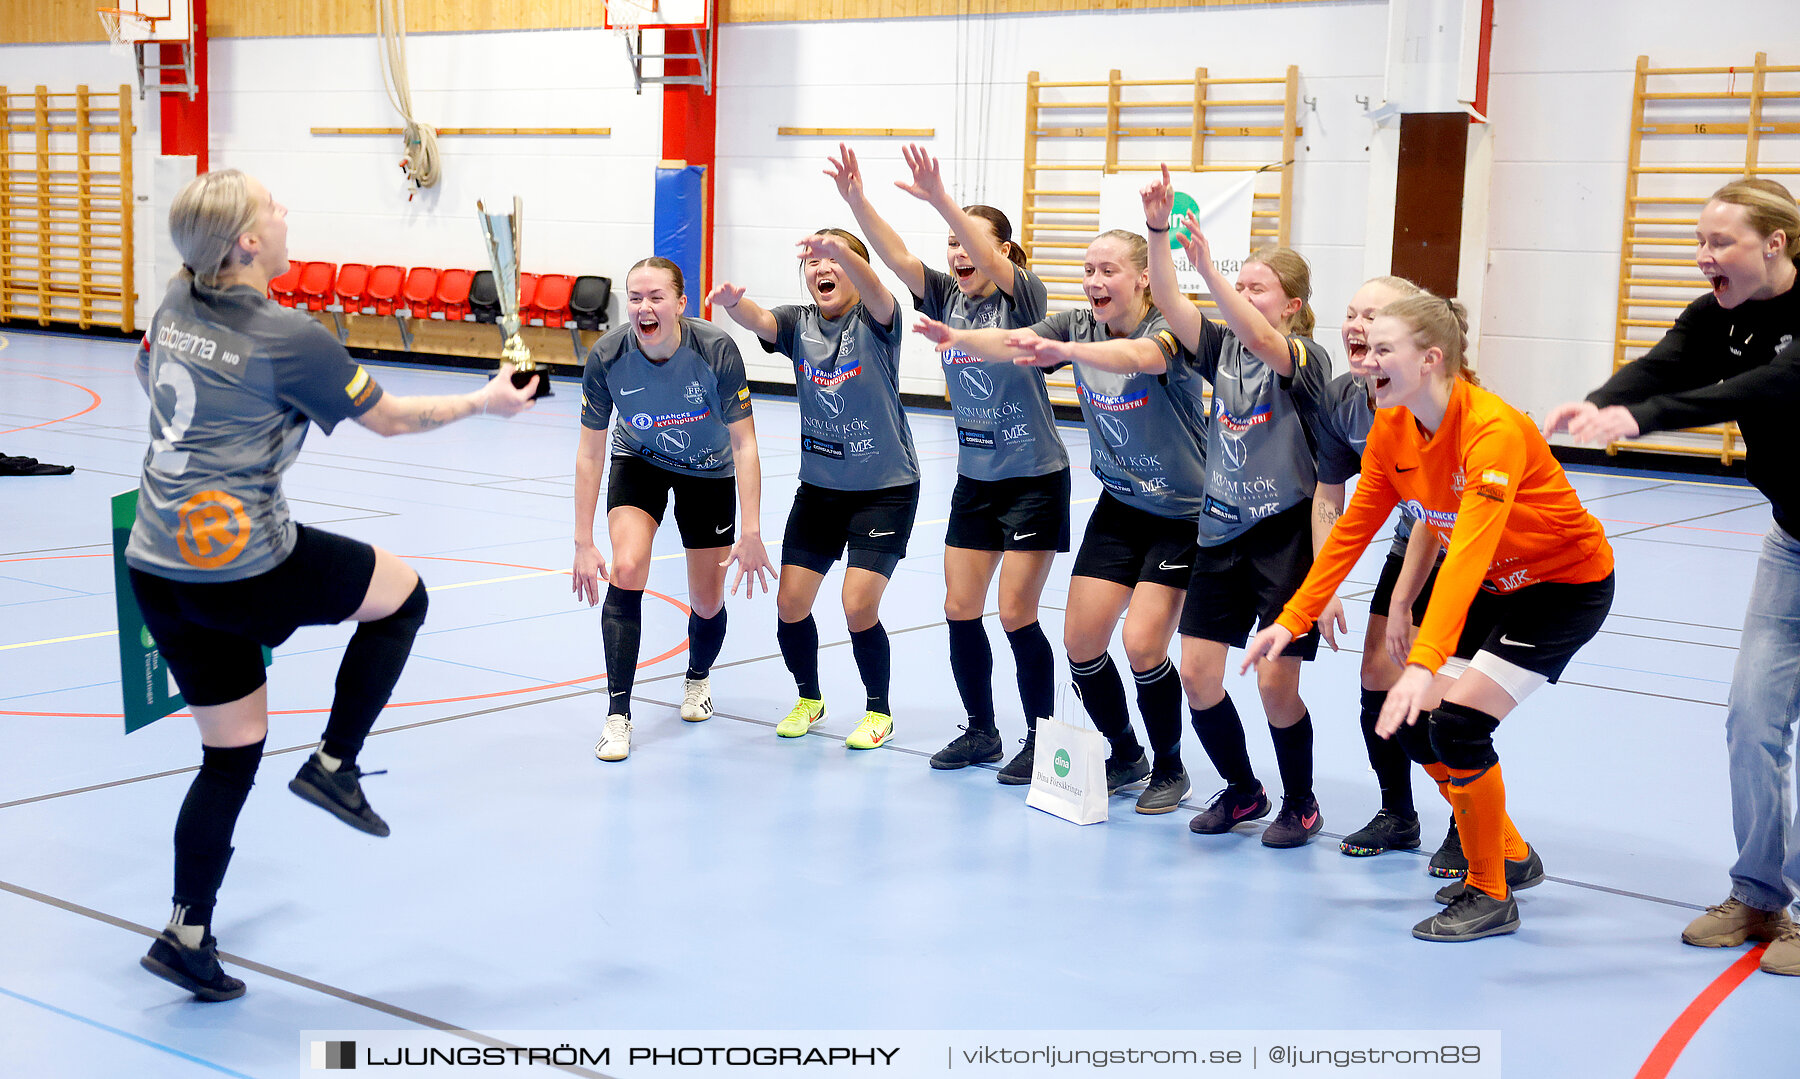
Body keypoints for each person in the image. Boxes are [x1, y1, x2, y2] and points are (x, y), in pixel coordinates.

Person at [128, 169, 537, 1000]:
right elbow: (387, 418)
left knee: (229, 754)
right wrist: (486, 401)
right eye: (271, 207)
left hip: (154, 562)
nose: (285, 212)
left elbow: (146, 371)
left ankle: (186, 931)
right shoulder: (291, 337)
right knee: (405, 593)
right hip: (243, 563)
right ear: (247, 241)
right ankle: (334, 761)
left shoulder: (174, 299)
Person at [1245, 294, 1614, 941]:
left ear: (1431, 358)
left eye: (1385, 348)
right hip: (1498, 584)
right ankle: (1511, 853)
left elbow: (1467, 553)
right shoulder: (1393, 425)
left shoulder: (1491, 429)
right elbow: (1354, 529)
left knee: (1460, 723)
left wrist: (1424, 661)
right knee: (1416, 725)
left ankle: (1489, 890)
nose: (1367, 358)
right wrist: (1294, 614)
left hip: (1562, 587)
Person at [1545, 177, 1800, 975]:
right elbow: (1659, 367)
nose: (1702, 259)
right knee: (1751, 720)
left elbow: (1771, 385)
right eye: (1698, 242)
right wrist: (1599, 405)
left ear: (1775, 244)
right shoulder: (1713, 316)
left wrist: (1645, 420)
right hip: (1793, 538)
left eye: (1718, 243)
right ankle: (1760, 893)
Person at [919, 228, 1207, 807]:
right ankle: (1127, 753)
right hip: (1120, 506)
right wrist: (957, 336)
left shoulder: (1168, 328)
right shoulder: (1075, 323)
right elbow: (1015, 342)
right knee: (1081, 641)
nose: (1095, 281)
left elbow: (1144, 358)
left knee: (1143, 643)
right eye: (1089, 270)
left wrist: (1070, 353)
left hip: (1179, 513)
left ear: (1143, 277)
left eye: (1109, 271)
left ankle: (1171, 768)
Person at [825, 143, 1069, 782]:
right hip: (976, 482)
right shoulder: (945, 297)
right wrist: (855, 199)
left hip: (1035, 478)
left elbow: (987, 255)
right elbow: (897, 256)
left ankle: (1042, 738)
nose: (959, 255)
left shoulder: (1024, 299)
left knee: (1016, 612)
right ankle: (983, 731)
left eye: (970, 245)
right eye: (952, 245)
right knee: (961, 607)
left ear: (1003, 252)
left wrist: (943, 199)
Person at [1129, 167, 1333, 840]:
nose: (1241, 297)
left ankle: (1300, 800)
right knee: (1197, 673)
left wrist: (1210, 274)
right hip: (1218, 531)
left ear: (1293, 303)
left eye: (1256, 288)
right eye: (1238, 285)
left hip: (1283, 538)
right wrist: (1160, 234)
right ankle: (1244, 788)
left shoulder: (1304, 353)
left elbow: (1266, 342)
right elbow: (1168, 298)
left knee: (1276, 687)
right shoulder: (1217, 349)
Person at [709, 228, 919, 750]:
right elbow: (759, 320)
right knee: (790, 604)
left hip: (885, 488)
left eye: (835, 261)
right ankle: (809, 697)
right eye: (814, 262)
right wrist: (735, 304)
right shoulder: (798, 323)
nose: (821, 270)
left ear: (856, 267)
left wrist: (842, 252)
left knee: (856, 604)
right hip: (821, 489)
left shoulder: (876, 319)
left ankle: (878, 709)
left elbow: (880, 291)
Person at [572, 256, 776, 762]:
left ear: (680, 304)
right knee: (627, 566)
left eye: (656, 297)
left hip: (708, 471)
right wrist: (582, 541)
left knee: (706, 602)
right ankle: (618, 714)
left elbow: (745, 444)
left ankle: (697, 678)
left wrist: (751, 530)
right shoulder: (607, 356)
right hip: (639, 459)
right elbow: (590, 451)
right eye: (635, 297)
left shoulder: (715, 350)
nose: (644, 306)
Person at [1303, 275, 1464, 873]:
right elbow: (1329, 496)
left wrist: (1406, 598)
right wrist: (1325, 586)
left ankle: (1467, 823)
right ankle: (1398, 812)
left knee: (1444, 699)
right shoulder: (1345, 396)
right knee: (1376, 676)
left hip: (1466, 544)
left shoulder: (1442, 394)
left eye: (1372, 316)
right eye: (1350, 313)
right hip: (1413, 537)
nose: (1354, 326)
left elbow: (1442, 504)